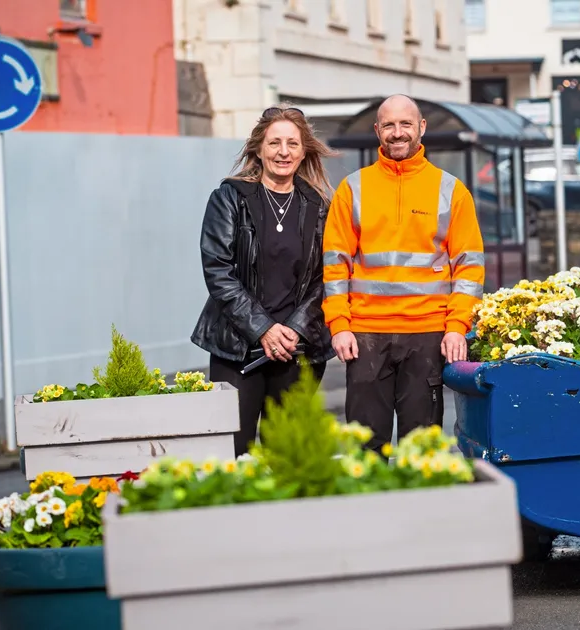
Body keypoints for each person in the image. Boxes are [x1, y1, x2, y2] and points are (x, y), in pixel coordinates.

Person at [322, 94, 485, 452]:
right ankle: (369, 509)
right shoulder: (353, 189)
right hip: (365, 334)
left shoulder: (451, 191)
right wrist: (340, 326)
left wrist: (457, 326)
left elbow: (469, 267)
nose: (398, 133)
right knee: (365, 446)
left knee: (422, 446)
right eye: (390, 126)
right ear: (377, 130)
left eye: (406, 124)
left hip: (426, 333)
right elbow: (335, 265)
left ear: (421, 128)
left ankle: (423, 510)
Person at [191, 105, 338, 456]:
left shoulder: (319, 206)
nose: (283, 152)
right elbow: (218, 270)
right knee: (235, 452)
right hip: (237, 348)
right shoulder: (229, 198)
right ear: (258, 147)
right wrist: (263, 329)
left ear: (304, 151)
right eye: (274, 143)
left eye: (292, 143)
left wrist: (294, 329)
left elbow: (329, 275)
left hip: (297, 349)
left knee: (285, 455)